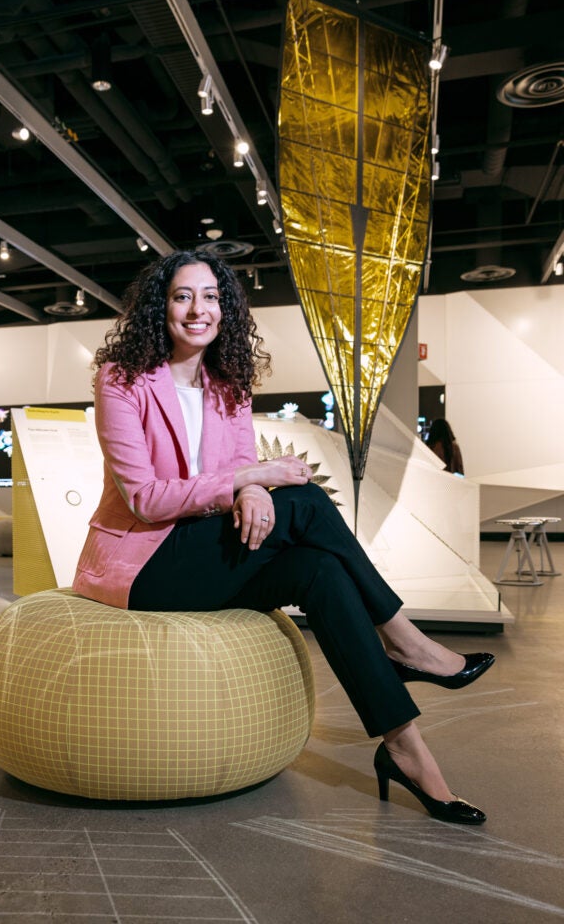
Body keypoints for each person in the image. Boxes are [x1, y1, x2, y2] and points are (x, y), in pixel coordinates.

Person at [73, 250, 494, 824]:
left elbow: (243, 463)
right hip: (144, 563)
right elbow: (146, 498)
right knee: (310, 502)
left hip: (206, 548)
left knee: (321, 571)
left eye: (212, 297)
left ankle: (406, 749)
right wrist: (252, 480)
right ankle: (409, 645)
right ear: (159, 307)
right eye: (182, 296)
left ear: (226, 308)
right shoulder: (122, 381)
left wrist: (252, 489)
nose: (199, 310)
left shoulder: (228, 383)